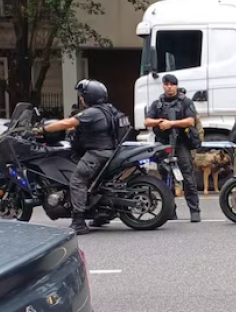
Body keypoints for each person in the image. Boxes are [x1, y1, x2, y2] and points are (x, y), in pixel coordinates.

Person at [37, 79, 128, 234]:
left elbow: (67, 122)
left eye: (82, 96)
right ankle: (102, 215)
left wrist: (42, 129)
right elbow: (86, 126)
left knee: (77, 181)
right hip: (109, 151)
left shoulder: (92, 112)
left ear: (90, 96)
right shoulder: (109, 109)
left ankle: (78, 221)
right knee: (93, 184)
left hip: (97, 153)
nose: (80, 99)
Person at [145, 74, 202, 222]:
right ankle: (170, 211)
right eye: (167, 84)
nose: (169, 87)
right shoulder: (157, 103)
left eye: (172, 84)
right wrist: (160, 121)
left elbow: (190, 121)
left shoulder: (185, 102)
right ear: (163, 86)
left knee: (188, 177)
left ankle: (194, 211)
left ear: (176, 86)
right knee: (165, 177)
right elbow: (147, 122)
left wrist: (171, 124)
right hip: (163, 143)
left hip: (181, 143)